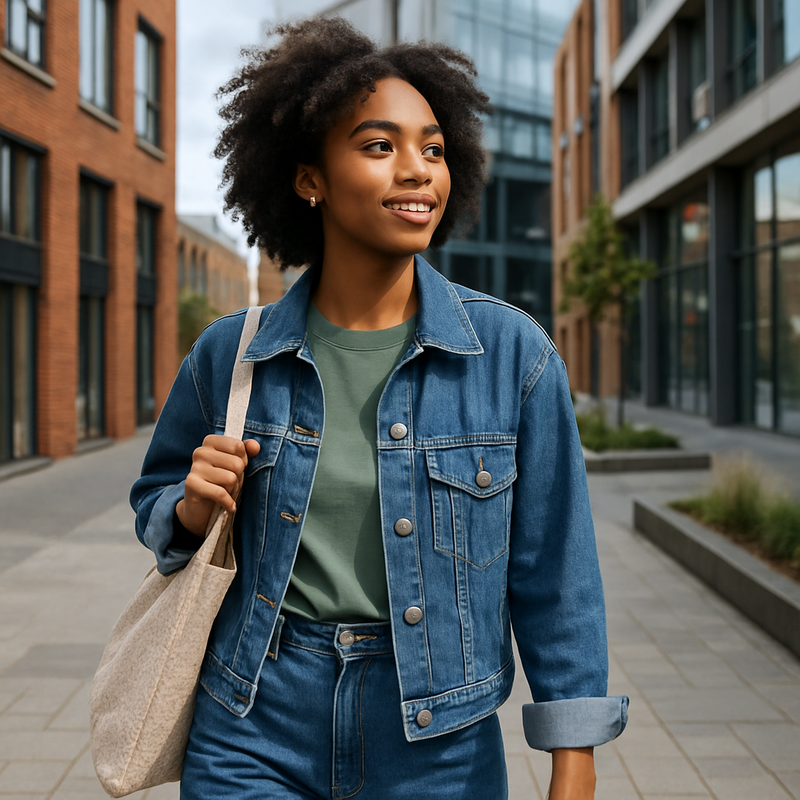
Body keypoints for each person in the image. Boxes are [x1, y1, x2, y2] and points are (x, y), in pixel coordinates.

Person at [131, 16, 628, 800]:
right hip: (253, 717)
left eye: (432, 148)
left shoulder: (511, 356)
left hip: (438, 740)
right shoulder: (233, 353)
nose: (417, 171)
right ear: (308, 179)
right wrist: (191, 509)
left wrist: (575, 755)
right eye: (378, 146)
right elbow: (155, 508)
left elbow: (556, 572)